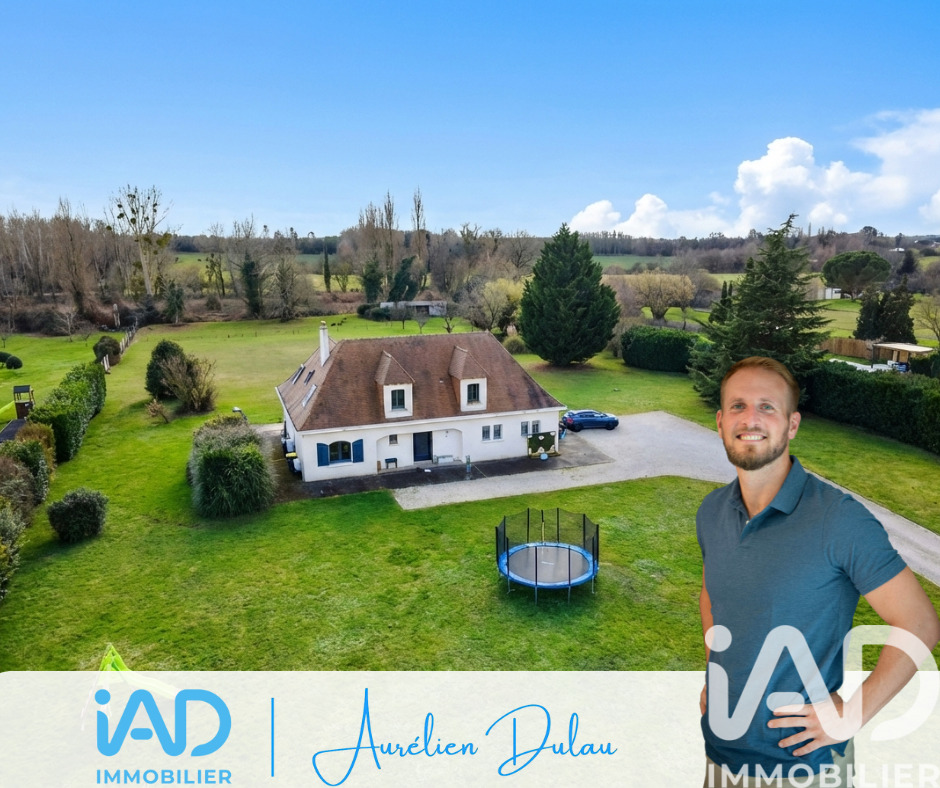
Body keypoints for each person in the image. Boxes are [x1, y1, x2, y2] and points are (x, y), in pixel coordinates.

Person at [698, 356, 940, 787]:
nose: (750, 419)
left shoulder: (840, 520)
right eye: (738, 406)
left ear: (792, 424)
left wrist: (852, 714)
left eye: (767, 407)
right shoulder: (711, 511)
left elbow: (919, 623)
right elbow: (711, 596)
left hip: (805, 768)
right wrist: (715, 677)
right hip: (721, 756)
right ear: (720, 421)